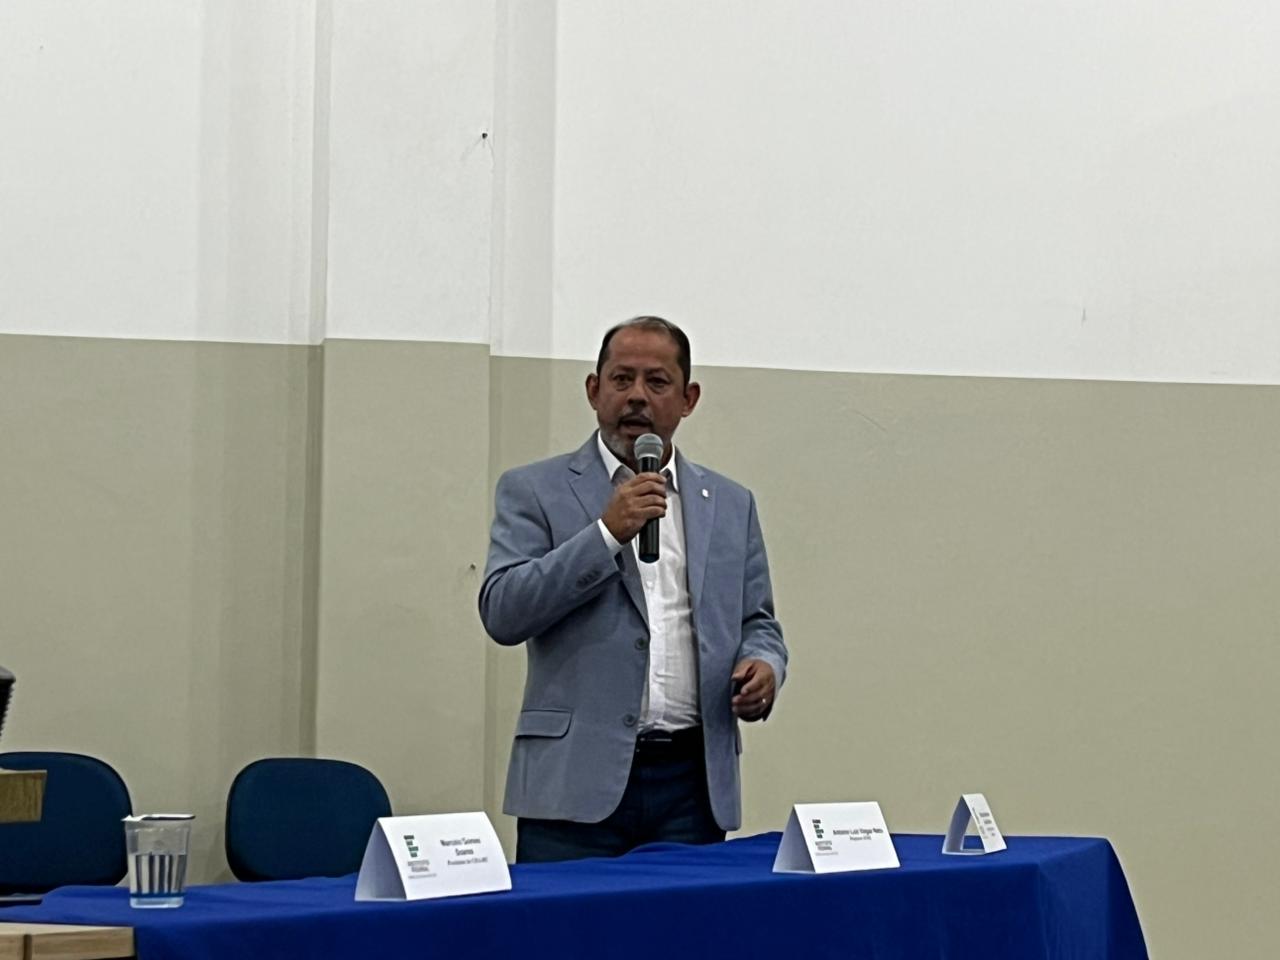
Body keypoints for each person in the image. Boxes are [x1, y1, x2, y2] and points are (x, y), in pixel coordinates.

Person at [479, 316, 788, 863]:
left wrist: (764, 666)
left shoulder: (731, 503)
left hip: (692, 785)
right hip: (573, 786)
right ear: (593, 390)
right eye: (621, 379)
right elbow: (503, 611)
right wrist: (605, 534)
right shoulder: (533, 489)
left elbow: (757, 622)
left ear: (689, 399)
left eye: (657, 381)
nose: (637, 396)